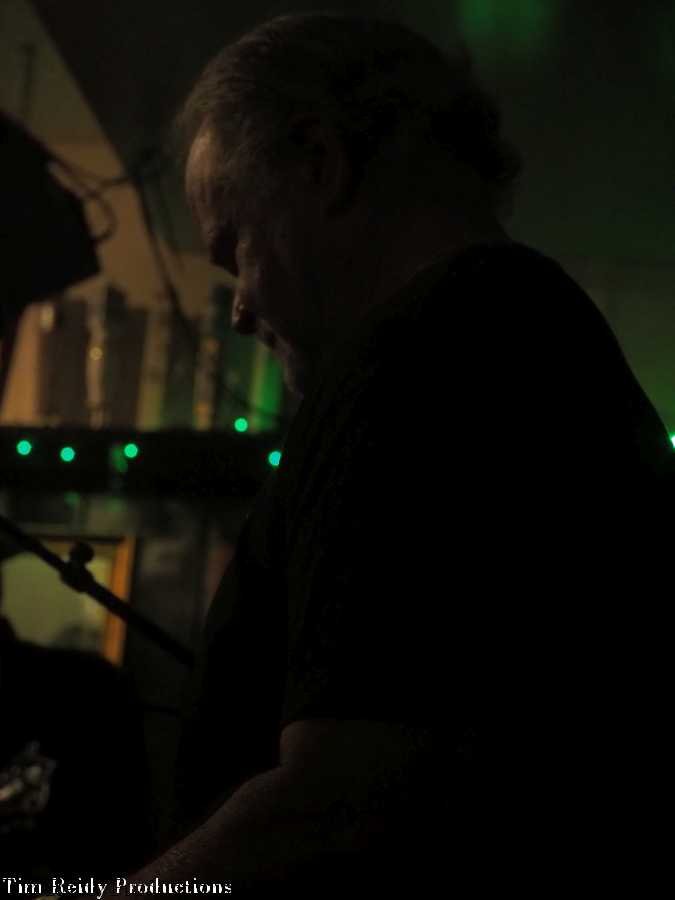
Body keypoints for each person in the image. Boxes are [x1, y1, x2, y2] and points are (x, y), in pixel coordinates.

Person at [129, 12, 669, 894]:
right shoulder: (526, 332)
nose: (239, 312)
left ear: (320, 161)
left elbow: (341, 802)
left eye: (235, 252)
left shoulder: (420, 358)